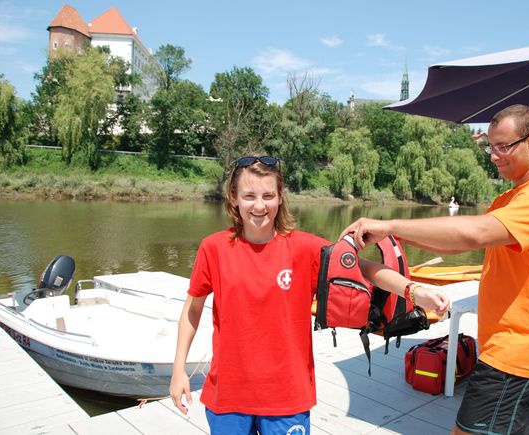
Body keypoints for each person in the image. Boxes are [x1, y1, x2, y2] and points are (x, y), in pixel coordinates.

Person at [341, 104, 529, 435]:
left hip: (518, 357)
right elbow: (456, 244)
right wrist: (392, 232)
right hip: (511, 351)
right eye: (490, 147)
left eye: (503, 146)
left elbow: (474, 232)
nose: (494, 156)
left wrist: (389, 223)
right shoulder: (510, 199)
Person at [170, 155, 450, 435]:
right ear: (234, 198)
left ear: (280, 197)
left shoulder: (304, 248)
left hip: (287, 395)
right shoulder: (214, 248)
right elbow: (192, 310)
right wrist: (178, 369)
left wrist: (415, 291)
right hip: (228, 394)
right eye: (249, 196)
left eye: (268, 195)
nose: (259, 205)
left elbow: (366, 269)